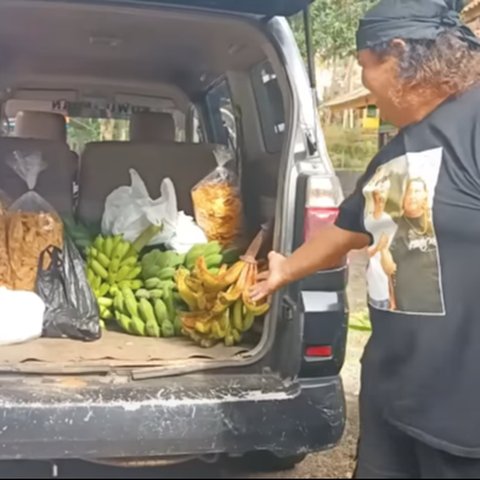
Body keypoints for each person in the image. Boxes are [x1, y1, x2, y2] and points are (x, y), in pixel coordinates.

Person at [250, 0, 480, 477]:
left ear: (397, 53)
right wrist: (285, 269)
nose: (365, 88)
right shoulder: (395, 153)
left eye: (364, 68)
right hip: (393, 401)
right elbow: (346, 230)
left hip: (463, 422)